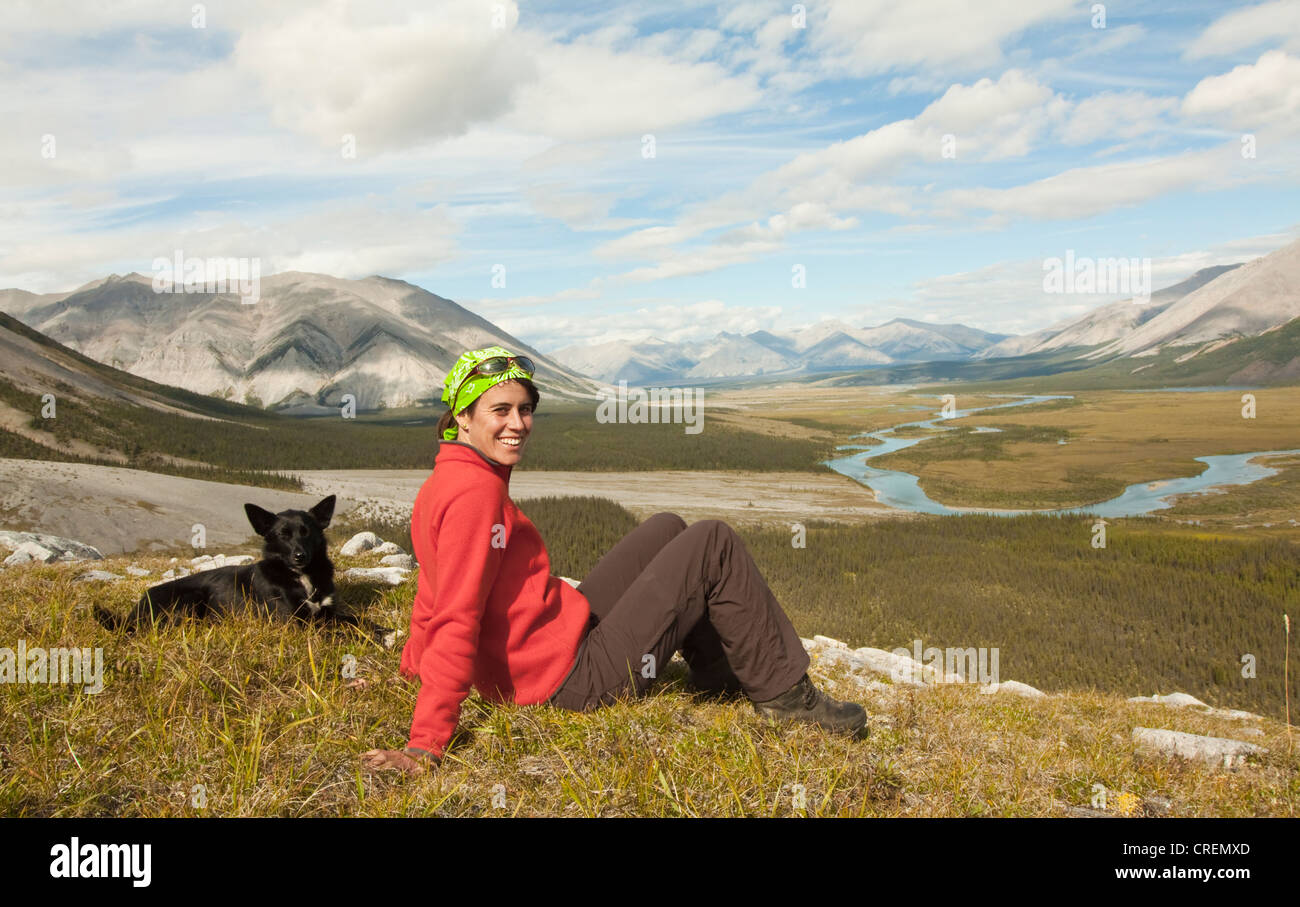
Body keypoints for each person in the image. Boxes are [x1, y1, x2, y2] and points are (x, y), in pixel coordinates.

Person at [361, 346, 867, 775]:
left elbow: (434, 586)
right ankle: (787, 699)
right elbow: (456, 613)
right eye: (501, 410)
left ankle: (717, 674)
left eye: (525, 408)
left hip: (557, 638)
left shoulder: (447, 480)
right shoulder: (476, 498)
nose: (519, 424)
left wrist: (410, 668)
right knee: (713, 541)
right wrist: (424, 744)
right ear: (463, 417)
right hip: (571, 681)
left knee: (667, 526)